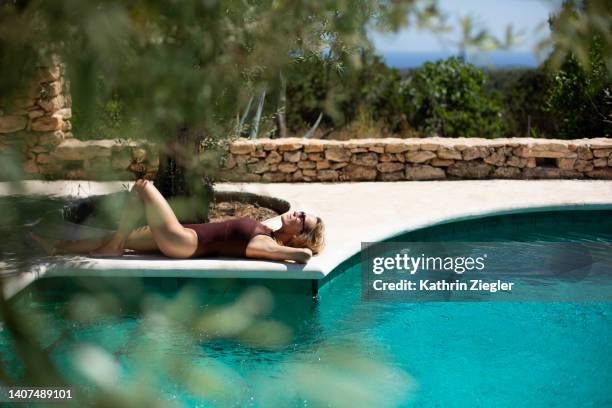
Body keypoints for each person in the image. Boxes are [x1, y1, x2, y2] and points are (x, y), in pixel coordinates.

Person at [30, 179, 325, 264]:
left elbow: (302, 255)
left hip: (183, 242)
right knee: (127, 237)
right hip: (183, 236)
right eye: (301, 213)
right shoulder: (270, 229)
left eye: (303, 221)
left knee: (143, 187)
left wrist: (304, 249)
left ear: (299, 235)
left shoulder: (265, 243)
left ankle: (116, 246)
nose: (298, 214)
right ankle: (56, 246)